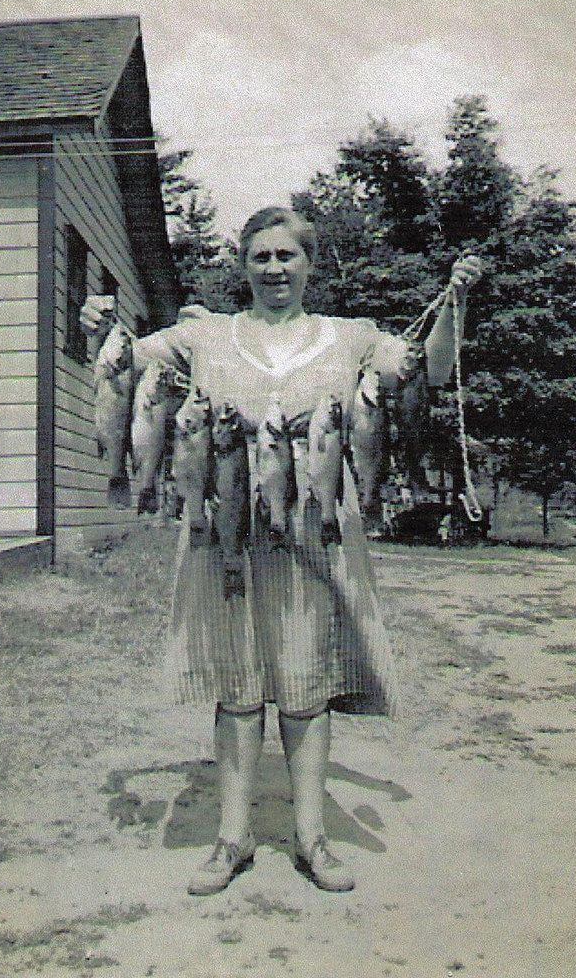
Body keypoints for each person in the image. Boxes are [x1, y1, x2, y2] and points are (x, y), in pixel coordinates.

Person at [81, 207, 480, 895]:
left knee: (304, 686)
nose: (274, 269)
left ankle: (312, 838)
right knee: (236, 689)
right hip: (224, 528)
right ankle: (231, 840)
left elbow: (429, 370)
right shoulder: (205, 335)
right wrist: (95, 325)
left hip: (314, 530)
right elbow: (128, 360)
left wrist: (456, 301)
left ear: (309, 264)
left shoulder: (351, 338)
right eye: (261, 256)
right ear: (243, 266)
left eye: (286, 256)